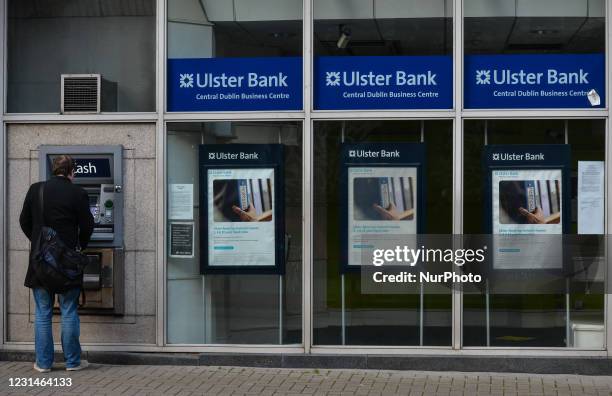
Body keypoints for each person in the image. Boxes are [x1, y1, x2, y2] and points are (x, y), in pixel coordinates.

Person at [19, 155, 94, 373]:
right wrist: (80, 245)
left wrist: (38, 243)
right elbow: (88, 224)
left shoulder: (36, 190)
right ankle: (72, 362)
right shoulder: (77, 192)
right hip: (67, 263)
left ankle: (43, 364)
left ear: (53, 170)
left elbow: (24, 221)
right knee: (69, 310)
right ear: (72, 172)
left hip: (40, 262)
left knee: (43, 312)